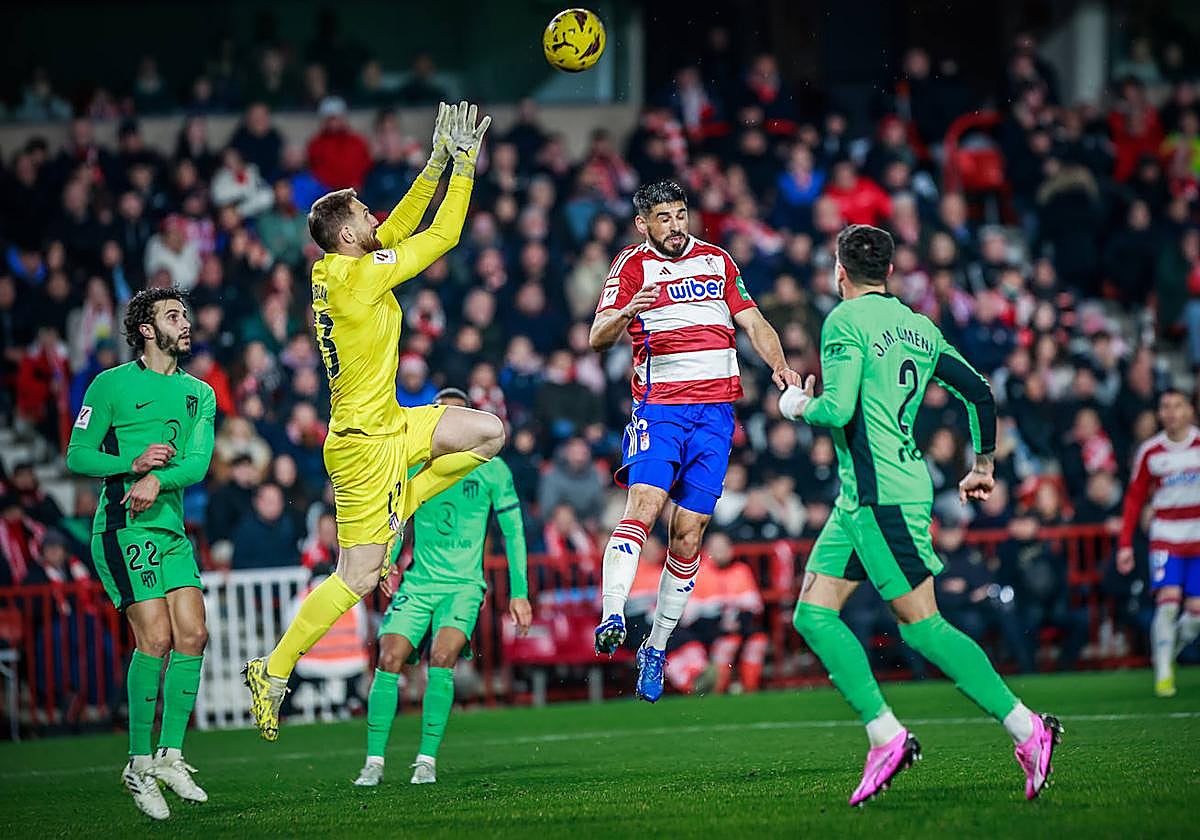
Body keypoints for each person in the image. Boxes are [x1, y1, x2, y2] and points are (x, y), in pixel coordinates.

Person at [244, 102, 505, 742]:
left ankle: (403, 503)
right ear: (347, 235)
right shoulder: (358, 280)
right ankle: (272, 669)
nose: (375, 218)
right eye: (364, 214)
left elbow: (399, 228)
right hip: (364, 446)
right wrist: (465, 168)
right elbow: (440, 237)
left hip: (392, 422)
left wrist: (436, 161)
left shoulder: (336, 268)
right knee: (358, 577)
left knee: (489, 433)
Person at [778, 224, 1060, 805]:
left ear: (839, 270)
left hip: (882, 498)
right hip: (861, 498)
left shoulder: (843, 321)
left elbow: (839, 409)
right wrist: (983, 466)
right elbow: (979, 391)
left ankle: (1027, 729)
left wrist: (797, 404)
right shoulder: (919, 326)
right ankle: (885, 734)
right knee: (813, 613)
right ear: (889, 271)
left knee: (922, 625)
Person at [588, 178, 800, 702]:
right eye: (664, 217)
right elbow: (597, 337)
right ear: (643, 224)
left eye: (681, 214)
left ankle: (656, 648)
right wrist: (629, 310)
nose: (676, 225)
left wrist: (779, 365)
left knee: (689, 533)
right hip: (660, 410)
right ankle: (612, 612)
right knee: (645, 503)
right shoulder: (630, 266)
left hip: (715, 416)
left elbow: (754, 322)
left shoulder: (717, 260)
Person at [66, 287, 216, 821]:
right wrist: (132, 466)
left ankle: (170, 755)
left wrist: (158, 479)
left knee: (193, 634)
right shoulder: (110, 385)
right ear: (147, 330)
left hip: (170, 530)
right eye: (173, 316)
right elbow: (77, 455)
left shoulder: (200, 393)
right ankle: (137, 762)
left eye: (186, 314)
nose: (185, 322)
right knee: (155, 637)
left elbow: (197, 464)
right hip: (123, 528)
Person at [354, 388, 531, 787]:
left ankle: (426, 760)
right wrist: (388, 559)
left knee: (443, 656)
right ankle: (374, 762)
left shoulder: (492, 469)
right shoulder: (414, 464)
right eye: (441, 416)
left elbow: (514, 532)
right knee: (389, 657)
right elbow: (398, 518)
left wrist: (519, 592)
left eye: (457, 416)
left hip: (464, 586)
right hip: (419, 583)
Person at [1117, 388, 1200, 697]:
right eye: (1165, 406)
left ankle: (1167, 649)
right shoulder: (1151, 451)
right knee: (1168, 602)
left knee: (1196, 614)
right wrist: (1125, 543)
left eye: (1177, 406)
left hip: (1198, 537)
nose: (1171, 412)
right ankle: (1163, 672)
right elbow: (1134, 498)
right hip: (1166, 536)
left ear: (1189, 410)